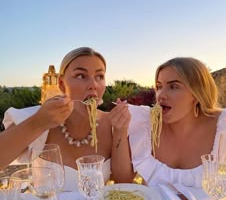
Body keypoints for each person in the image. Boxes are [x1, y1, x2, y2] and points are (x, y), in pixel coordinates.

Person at [0, 47, 132, 190]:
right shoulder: (40, 117)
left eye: (99, 76)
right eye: (81, 76)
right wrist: (37, 123)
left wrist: (120, 130)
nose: (93, 85)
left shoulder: (111, 122)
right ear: (62, 84)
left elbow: (123, 182)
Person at [126, 57, 226, 188]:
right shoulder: (144, 125)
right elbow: (122, 181)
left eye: (173, 87)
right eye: (159, 86)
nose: (161, 95)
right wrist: (119, 130)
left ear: (197, 93)